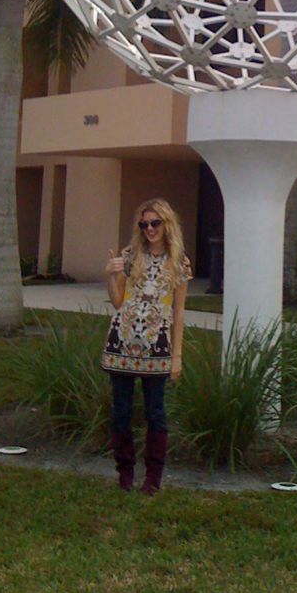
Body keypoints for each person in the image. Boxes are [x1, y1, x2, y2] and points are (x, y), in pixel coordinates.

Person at [101, 197, 192, 494]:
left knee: (156, 412)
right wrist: (110, 276)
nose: (150, 229)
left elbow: (178, 312)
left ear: (167, 224)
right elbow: (118, 303)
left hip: (157, 346)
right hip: (123, 342)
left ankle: (153, 479)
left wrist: (176, 355)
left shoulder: (178, 263)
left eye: (155, 223)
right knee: (121, 411)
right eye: (144, 224)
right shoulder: (131, 256)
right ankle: (124, 473)